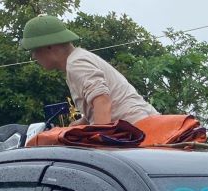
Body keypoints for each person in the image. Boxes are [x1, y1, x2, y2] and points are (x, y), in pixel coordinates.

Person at [21, 15, 159, 126]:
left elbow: (102, 101)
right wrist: (83, 122)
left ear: (49, 46)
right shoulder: (78, 59)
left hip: (137, 129)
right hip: (140, 124)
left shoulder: (76, 64)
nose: (34, 56)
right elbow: (99, 104)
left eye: (34, 50)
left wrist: (99, 143)